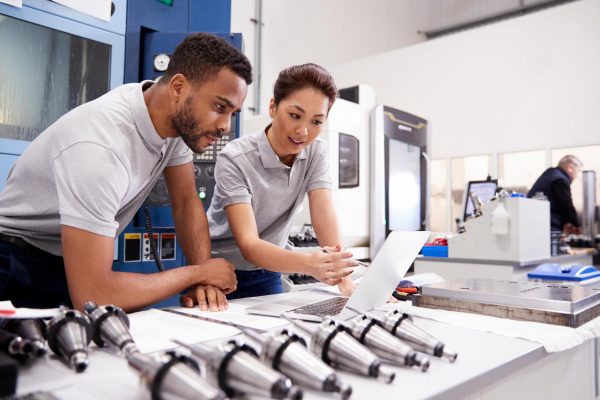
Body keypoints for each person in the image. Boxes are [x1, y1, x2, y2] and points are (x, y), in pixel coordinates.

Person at [0, 33, 252, 311]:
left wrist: (205, 278)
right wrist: (198, 273)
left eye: (233, 113)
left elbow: (186, 203)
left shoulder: (172, 121)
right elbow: (93, 296)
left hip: (63, 261)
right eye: (219, 107)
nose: (226, 126)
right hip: (13, 263)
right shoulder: (99, 147)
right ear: (178, 87)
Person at [180, 63, 357, 311]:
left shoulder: (316, 153)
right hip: (220, 274)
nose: (303, 131)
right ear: (273, 107)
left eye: (317, 121)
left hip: (268, 271)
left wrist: (345, 282)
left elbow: (324, 216)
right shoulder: (236, 158)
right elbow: (249, 244)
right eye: (295, 115)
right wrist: (308, 263)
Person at [527, 154, 583, 234]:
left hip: (534, 221)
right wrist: (577, 225)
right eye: (577, 172)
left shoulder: (550, 174)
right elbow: (566, 204)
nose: (576, 176)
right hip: (548, 225)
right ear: (570, 168)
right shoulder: (560, 179)